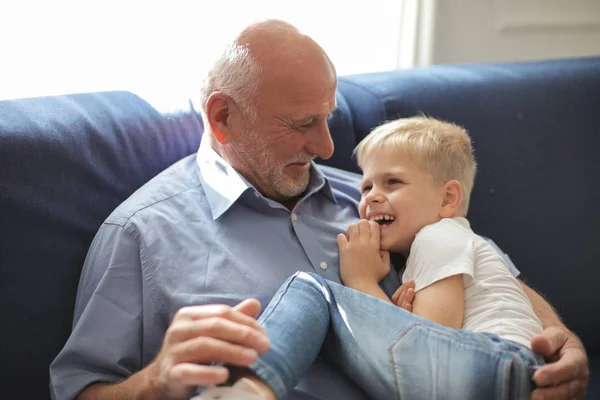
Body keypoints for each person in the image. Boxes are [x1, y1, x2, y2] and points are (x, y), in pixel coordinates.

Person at [49, 19, 588, 400]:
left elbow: (478, 263)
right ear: (223, 118)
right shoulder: (142, 233)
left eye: (327, 117)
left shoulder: (375, 197)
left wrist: (558, 339)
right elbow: (79, 389)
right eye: (302, 123)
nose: (327, 146)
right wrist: (157, 383)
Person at [203, 116, 548, 400]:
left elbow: (428, 335)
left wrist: (362, 280)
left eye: (392, 182)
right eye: (366, 188)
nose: (371, 199)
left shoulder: (440, 237)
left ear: (447, 199)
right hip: (501, 372)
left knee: (311, 291)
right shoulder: (441, 246)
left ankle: (243, 389)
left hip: (501, 363)